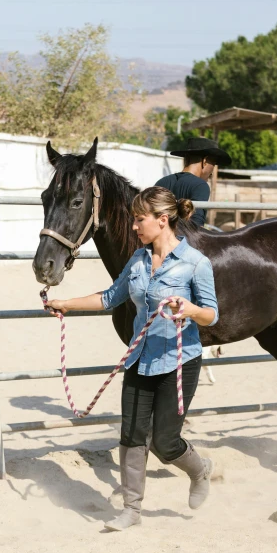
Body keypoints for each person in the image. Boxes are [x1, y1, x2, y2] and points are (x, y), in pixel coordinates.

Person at [47, 187, 219, 532]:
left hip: (179, 360)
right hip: (139, 358)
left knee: (165, 442)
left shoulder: (195, 264)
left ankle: (200, 470)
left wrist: (190, 309)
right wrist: (66, 303)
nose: (134, 226)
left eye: (139, 219)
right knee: (131, 435)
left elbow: (212, 315)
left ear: (162, 219)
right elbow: (111, 297)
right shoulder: (138, 261)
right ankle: (131, 509)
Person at [156, 136, 232, 227]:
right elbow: (196, 228)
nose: (212, 171)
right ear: (205, 161)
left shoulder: (161, 183)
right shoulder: (200, 186)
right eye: (213, 164)